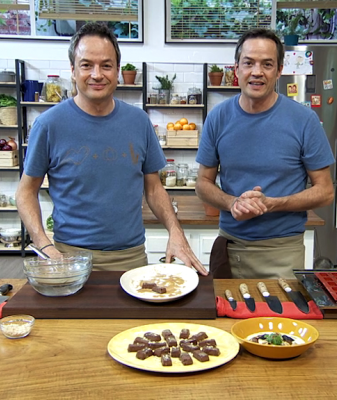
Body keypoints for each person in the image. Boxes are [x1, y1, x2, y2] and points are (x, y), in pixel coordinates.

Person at [16, 22, 205, 275]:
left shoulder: (138, 122)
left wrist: (175, 231)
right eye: (86, 65)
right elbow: (26, 192)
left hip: (130, 257)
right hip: (68, 257)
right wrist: (44, 245)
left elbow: (153, 187)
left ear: (117, 71)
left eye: (106, 65)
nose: (97, 74)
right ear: (73, 70)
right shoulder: (49, 125)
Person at [195, 28, 335, 279]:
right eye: (249, 63)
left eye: (267, 64)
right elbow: (202, 184)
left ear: (279, 70)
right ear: (236, 68)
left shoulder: (304, 120)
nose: (257, 72)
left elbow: (325, 191)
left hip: (282, 254)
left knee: (279, 319)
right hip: (230, 249)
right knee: (225, 318)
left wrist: (274, 204)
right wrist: (232, 203)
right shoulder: (218, 117)